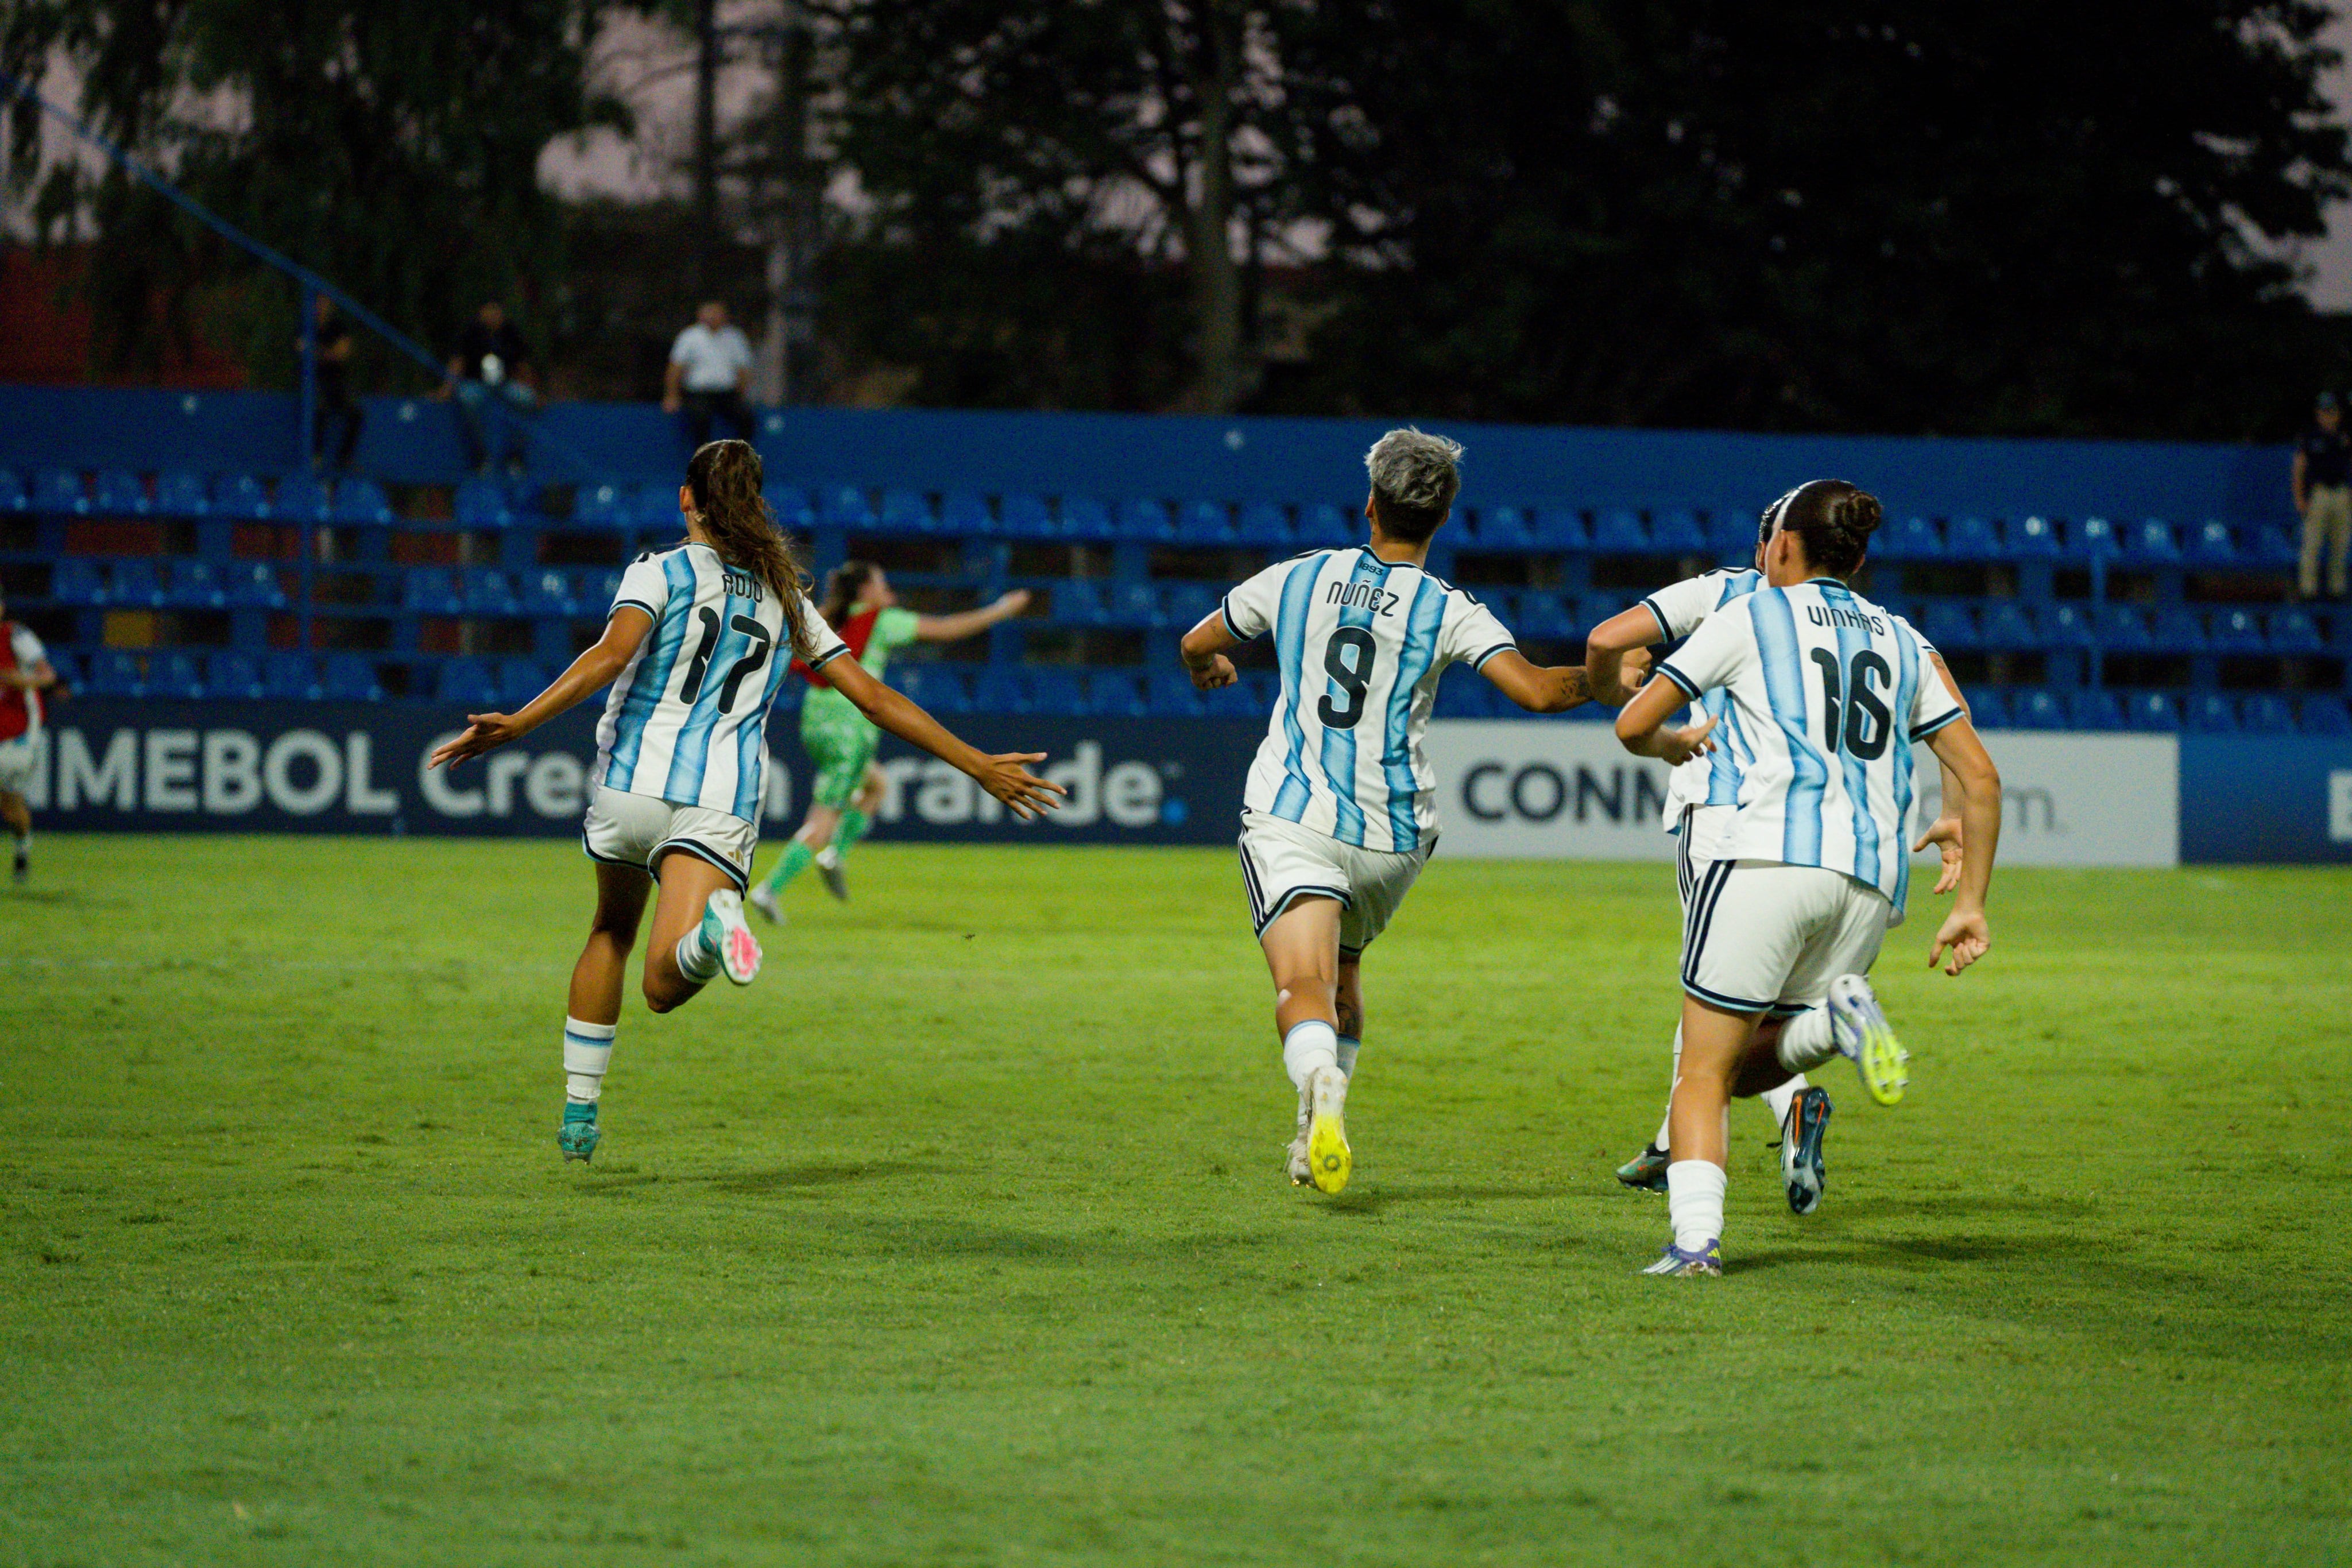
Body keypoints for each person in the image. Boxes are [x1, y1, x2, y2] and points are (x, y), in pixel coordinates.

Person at [428, 440, 1063, 1164]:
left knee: (610, 929)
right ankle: (711, 932)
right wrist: (978, 764)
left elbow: (608, 657)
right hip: (719, 803)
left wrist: (518, 722)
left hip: (630, 786)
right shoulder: (784, 594)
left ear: (685, 500)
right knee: (666, 985)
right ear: (753, 506)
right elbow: (875, 698)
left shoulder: (657, 571)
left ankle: (580, 1111)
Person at [1177, 428, 1639, 1195]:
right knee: (1345, 973)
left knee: (1302, 985)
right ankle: (1311, 1133)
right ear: (1444, 517)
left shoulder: (1300, 576)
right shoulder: (1449, 607)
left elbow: (1198, 638)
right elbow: (1537, 691)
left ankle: (1319, 1080)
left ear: (1369, 506)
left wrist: (1208, 664)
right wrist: (1604, 676)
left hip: (1297, 815)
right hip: (1393, 837)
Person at [1614, 479, 2002, 1277]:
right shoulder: (1903, 637)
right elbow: (1981, 776)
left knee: (1703, 1065)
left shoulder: (1749, 613)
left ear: (1780, 545)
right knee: (1757, 1060)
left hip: (1765, 857)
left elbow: (1632, 720)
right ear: (1857, 559)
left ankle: (1695, 1244)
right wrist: (1969, 903)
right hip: (1868, 884)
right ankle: (1836, 1023)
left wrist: (1668, 744)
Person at [748, 563, 1030, 919]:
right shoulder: (881, 620)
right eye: (881, 583)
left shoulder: (825, 616)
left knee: (877, 784)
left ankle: (835, 855)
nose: (887, 590)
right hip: (850, 727)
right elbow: (945, 630)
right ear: (866, 590)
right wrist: (1001, 610)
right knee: (825, 816)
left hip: (815, 722)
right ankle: (769, 890)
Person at [0, 582, 59, 884]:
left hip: (18, 733)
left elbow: (47, 675)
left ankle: (22, 846)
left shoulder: (15, 636)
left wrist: (17, 681)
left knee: (10, 806)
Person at [440, 301, 537, 475]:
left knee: (525, 399)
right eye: (489, 311)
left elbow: (523, 365)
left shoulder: (510, 332)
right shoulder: (470, 332)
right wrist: (446, 390)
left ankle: (514, 455)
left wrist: (533, 388)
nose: (493, 315)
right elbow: (458, 363)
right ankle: (484, 454)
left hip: (505, 384)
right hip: (477, 384)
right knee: (469, 398)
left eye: (496, 311)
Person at [663, 301, 759, 451]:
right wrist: (672, 396)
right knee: (700, 418)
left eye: (717, 314)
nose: (713, 318)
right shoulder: (690, 336)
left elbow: (743, 369)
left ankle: (741, 455)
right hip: (698, 393)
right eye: (710, 314)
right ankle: (703, 456)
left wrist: (743, 393)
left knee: (746, 416)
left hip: (727, 393)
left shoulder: (735, 337)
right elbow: (676, 368)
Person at [2294, 391, 2350, 601]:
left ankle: (2337, 590)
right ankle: (2308, 591)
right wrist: (2300, 497)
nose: (2327, 416)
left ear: (2338, 414)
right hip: (2319, 493)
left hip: (2341, 493)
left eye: (2331, 412)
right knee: (2312, 543)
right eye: (2323, 412)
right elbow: (2299, 468)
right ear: (2318, 414)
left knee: (2340, 544)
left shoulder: (2344, 437)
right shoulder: (2310, 437)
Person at [304, 296, 363, 472]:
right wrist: (330, 353)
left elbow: (342, 354)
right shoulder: (306, 325)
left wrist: (318, 352)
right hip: (313, 381)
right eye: (318, 303)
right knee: (317, 407)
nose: (321, 307)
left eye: (325, 303)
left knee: (355, 412)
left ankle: (345, 458)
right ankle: (316, 457)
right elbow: (302, 351)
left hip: (337, 381)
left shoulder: (338, 327)